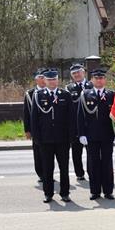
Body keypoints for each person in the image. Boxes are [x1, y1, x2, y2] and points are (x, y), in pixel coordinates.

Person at [30, 69, 74, 203]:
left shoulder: (65, 95)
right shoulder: (38, 95)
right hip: (45, 139)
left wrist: (71, 136)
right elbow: (34, 119)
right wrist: (36, 137)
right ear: (44, 81)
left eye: (54, 79)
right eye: (49, 80)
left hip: (62, 139)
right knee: (47, 169)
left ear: (58, 80)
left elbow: (71, 118)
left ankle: (65, 193)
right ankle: (48, 193)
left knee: (64, 168)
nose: (52, 82)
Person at [77, 68, 115, 200]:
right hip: (91, 135)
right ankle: (95, 191)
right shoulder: (85, 94)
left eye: (101, 78)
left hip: (107, 135)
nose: (99, 80)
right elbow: (80, 116)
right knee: (93, 163)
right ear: (92, 80)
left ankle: (108, 191)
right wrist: (81, 134)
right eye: (96, 78)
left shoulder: (111, 95)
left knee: (107, 163)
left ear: (105, 80)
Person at [23, 68, 47, 184]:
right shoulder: (30, 94)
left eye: (44, 77)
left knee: (48, 154)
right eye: (41, 78)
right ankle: (41, 174)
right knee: (37, 153)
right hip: (36, 129)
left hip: (49, 129)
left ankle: (48, 173)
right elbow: (26, 113)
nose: (43, 80)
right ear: (36, 79)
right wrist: (27, 130)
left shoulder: (50, 92)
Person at [66, 63, 89, 180]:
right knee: (76, 152)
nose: (76, 75)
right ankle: (79, 173)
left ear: (83, 72)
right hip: (75, 125)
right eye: (74, 73)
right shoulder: (69, 89)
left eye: (78, 72)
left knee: (92, 152)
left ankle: (92, 171)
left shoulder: (91, 85)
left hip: (90, 125)